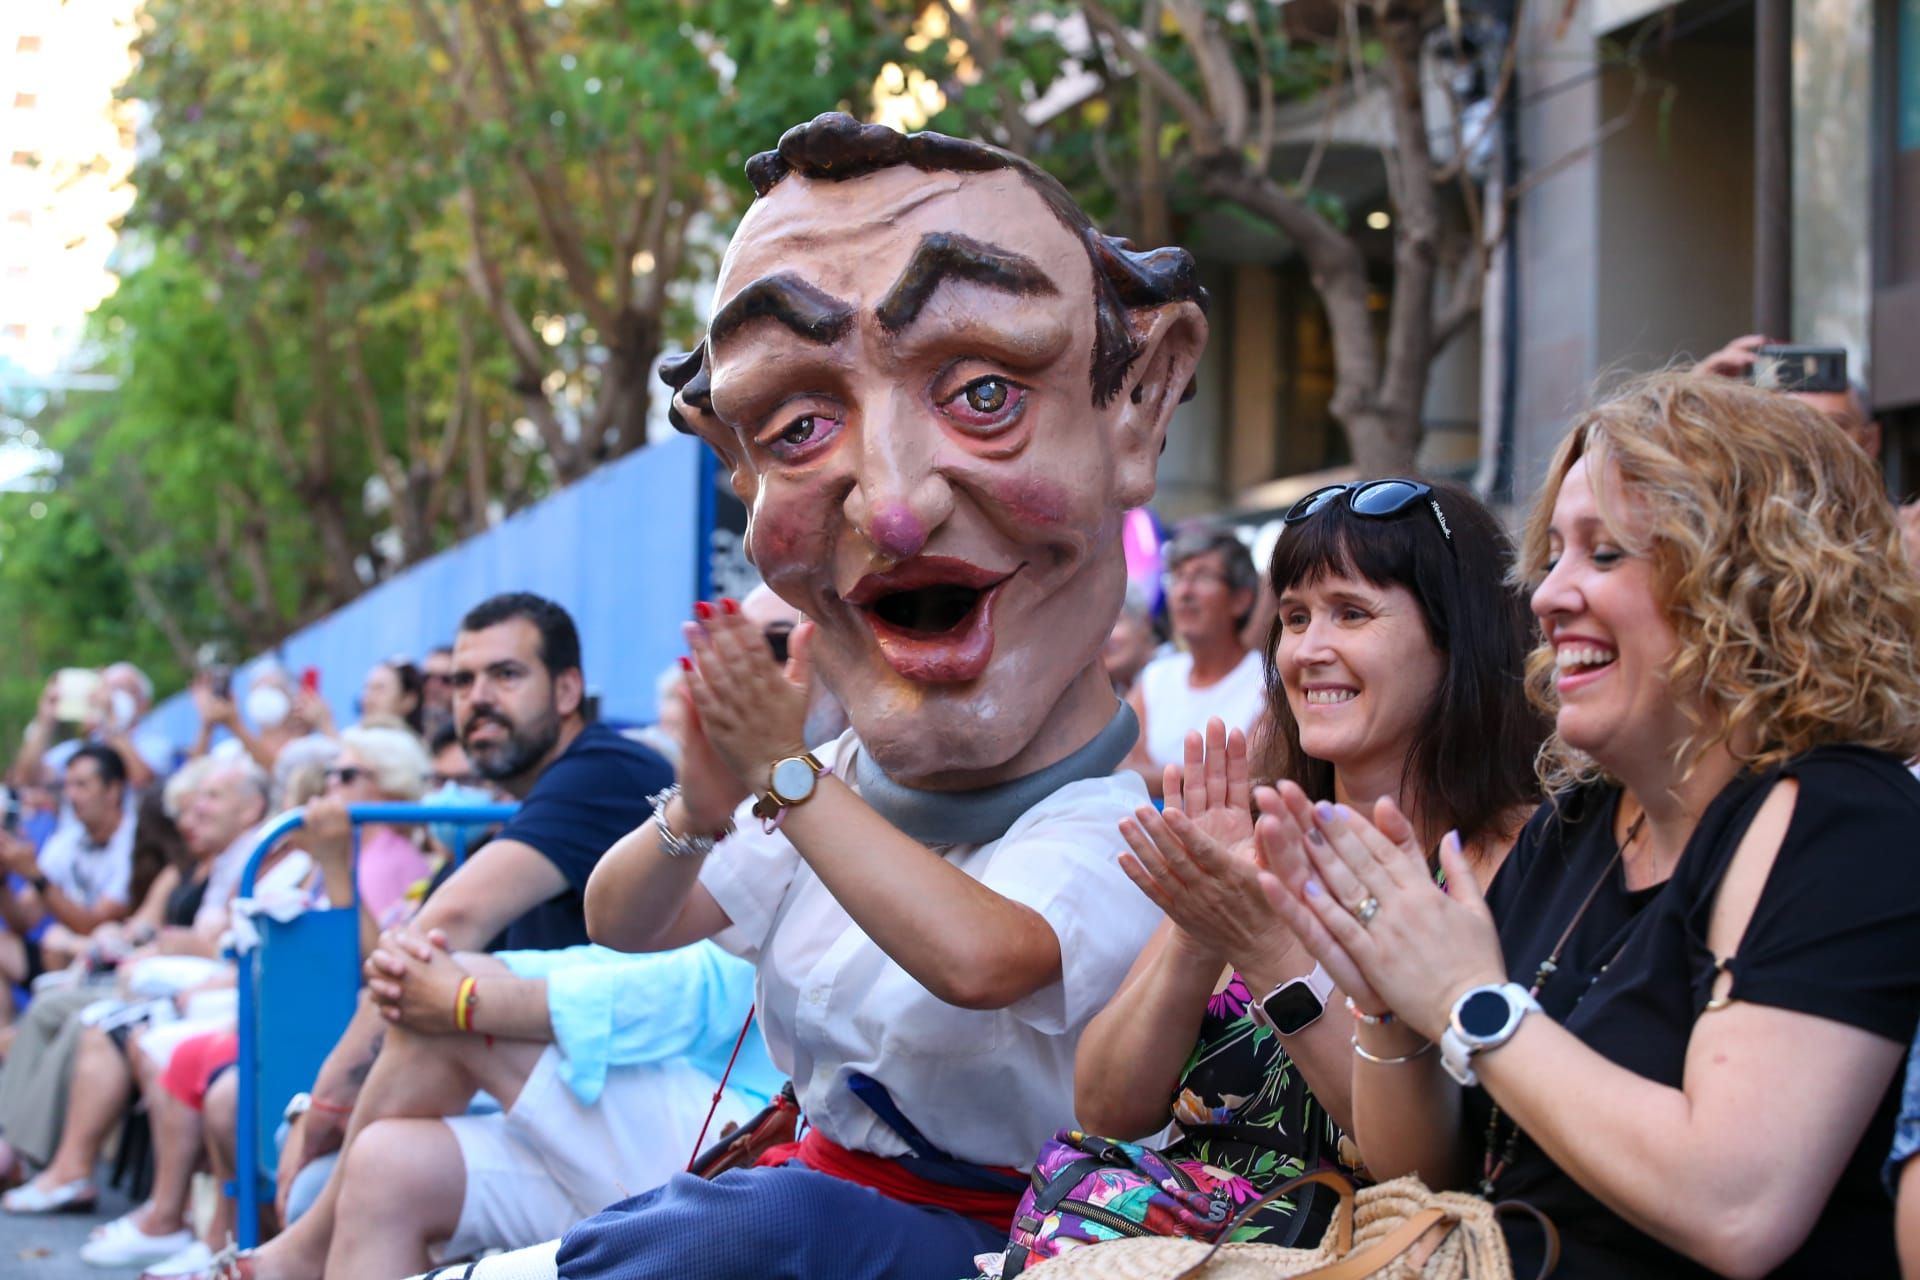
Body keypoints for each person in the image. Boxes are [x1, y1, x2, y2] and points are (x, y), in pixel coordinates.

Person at [490, 109, 1206, 1280]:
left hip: (1000, 1242)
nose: (893, 507)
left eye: (983, 392)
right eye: (801, 426)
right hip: (803, 1211)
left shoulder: (1119, 826)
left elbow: (989, 959)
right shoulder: (838, 794)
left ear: (1140, 406)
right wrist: (701, 799)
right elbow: (624, 920)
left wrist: (782, 778)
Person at [1260, 371, 1920, 1277]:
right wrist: (1392, 999)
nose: (1547, 595)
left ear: (1753, 578)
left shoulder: (1846, 820)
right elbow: (1424, 1173)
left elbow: (1737, 1207)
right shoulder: (1579, 826)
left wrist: (1467, 1002)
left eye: (1605, 554)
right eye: (1556, 553)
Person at [1073, 479, 1546, 1244]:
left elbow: (1425, 1171)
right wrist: (1201, 932)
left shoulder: (1506, 856)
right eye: (1294, 618)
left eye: (1350, 613)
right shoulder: (1260, 839)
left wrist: (1265, 951)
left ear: (1458, 636)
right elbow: (1105, 1108)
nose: (1308, 650)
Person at [215, 593, 670, 1278]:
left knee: (328, 1172)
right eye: (461, 681)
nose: (477, 699)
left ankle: (287, 1258)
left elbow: (442, 931)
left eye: (505, 675)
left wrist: (330, 1098)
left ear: (569, 688)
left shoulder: (607, 771)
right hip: (571, 1083)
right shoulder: (516, 810)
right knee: (355, 1152)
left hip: (650, 1096)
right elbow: (415, 952)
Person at [188, 935, 774, 1279]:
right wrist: (455, 977)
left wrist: (466, 993)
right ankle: (300, 1250)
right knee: (388, 1164)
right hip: (657, 1126)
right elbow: (623, 960)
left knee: (453, 1009)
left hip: (749, 1152)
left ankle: (301, 1251)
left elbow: (694, 992)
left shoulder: (800, 791)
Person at [0, 757, 270, 1215]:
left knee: (96, 1025)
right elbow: (140, 927)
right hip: (157, 982)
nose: (191, 817)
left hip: (185, 993)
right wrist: (126, 940)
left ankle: (64, 1167)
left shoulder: (254, 861)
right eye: (187, 809)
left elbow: (228, 948)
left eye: (207, 804)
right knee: (55, 1007)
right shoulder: (195, 869)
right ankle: (20, 1146)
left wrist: (162, 945)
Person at [1121, 527, 1265, 798]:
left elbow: (1248, 780)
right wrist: (1204, 779)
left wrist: (1151, 775)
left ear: (1241, 599)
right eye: (1177, 577)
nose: (1184, 591)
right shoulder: (1156, 677)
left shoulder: (1267, 681)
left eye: (1202, 577)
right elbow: (1120, 764)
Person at [0, 745, 137, 969]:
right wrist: (3, 879)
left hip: (113, 962)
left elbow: (94, 924)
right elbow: (23, 921)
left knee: (58, 943)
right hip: (64, 956)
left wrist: (36, 875)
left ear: (113, 790)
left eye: (81, 785)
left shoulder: (135, 843)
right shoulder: (67, 840)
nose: (70, 795)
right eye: (68, 785)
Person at [14, 662, 173, 793]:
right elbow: (27, 778)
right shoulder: (82, 748)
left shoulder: (156, 743)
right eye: (106, 687)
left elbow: (142, 780)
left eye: (122, 688)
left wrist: (112, 723)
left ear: (144, 703)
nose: (109, 696)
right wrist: (44, 722)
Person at [1101, 585, 1159, 696]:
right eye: (1096, 630)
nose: (1104, 639)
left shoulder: (1178, 673)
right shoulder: (1109, 696)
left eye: (1114, 623)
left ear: (1145, 622)